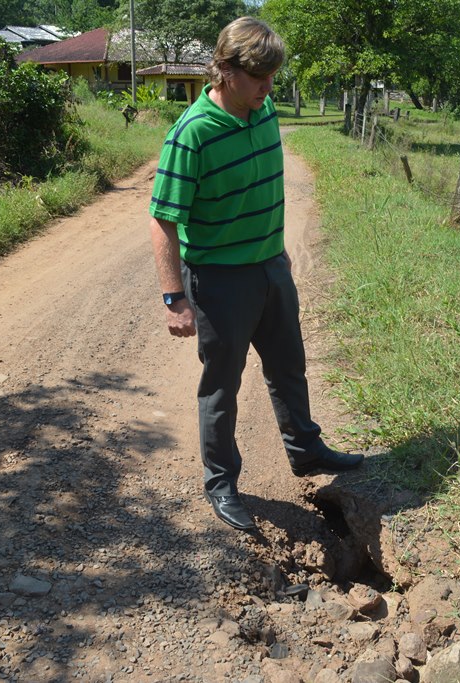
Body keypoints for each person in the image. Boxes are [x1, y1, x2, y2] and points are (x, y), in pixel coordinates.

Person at [148, 17, 363, 532]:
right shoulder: (192, 134)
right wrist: (174, 298)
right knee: (222, 386)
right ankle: (221, 483)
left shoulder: (264, 110)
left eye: (272, 77)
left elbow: (265, 185)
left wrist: (276, 251)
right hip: (219, 279)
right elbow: (163, 218)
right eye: (259, 77)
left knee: (289, 366)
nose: (269, 88)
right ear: (225, 70)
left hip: (270, 267)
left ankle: (306, 451)